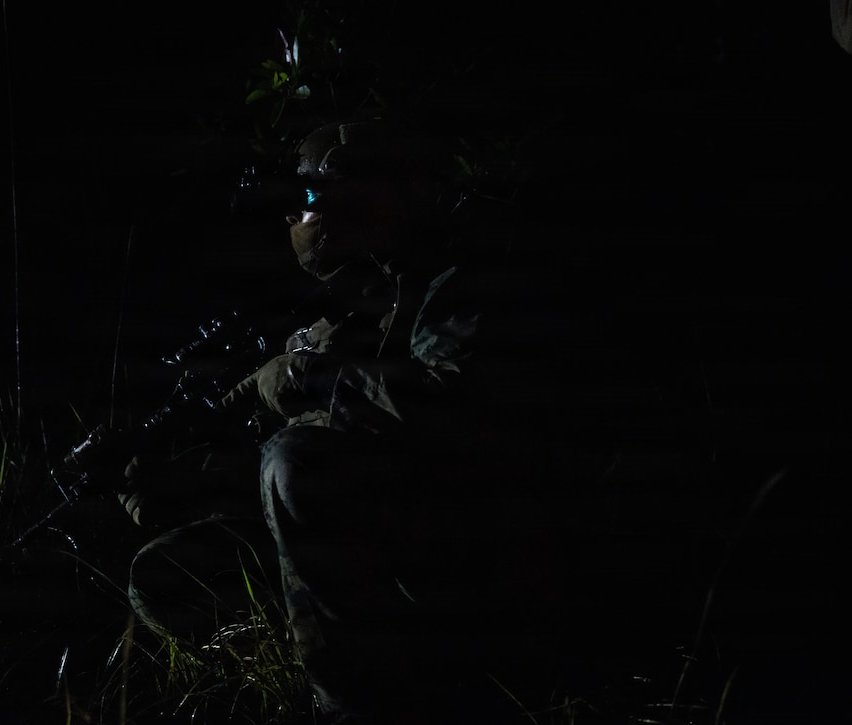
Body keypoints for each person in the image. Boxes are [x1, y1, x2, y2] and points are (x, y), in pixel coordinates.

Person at [116, 117, 561, 723]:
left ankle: (361, 704)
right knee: (160, 572)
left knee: (296, 462)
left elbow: (449, 407)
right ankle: (316, 666)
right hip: (366, 561)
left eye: (308, 197)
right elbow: (280, 482)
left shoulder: (455, 280)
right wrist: (189, 480)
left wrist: (308, 378)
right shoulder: (350, 310)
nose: (300, 216)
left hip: (460, 561)